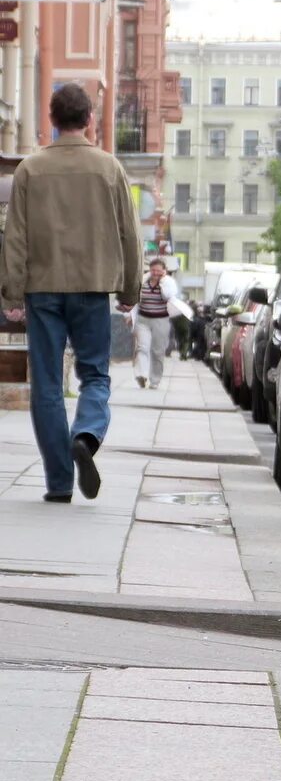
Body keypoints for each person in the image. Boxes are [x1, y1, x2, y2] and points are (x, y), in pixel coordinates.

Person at [0, 83, 140, 503]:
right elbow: (129, 234)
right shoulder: (109, 168)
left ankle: (59, 483)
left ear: (51, 119)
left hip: (42, 289)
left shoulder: (30, 169)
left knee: (46, 385)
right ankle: (87, 433)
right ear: (90, 119)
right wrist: (130, 286)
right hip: (92, 287)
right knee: (95, 373)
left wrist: (11, 293)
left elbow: (16, 237)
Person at [131, 259, 177, 389]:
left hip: (161, 320)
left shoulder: (168, 282)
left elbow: (168, 296)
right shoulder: (143, 281)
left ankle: (155, 380)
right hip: (143, 319)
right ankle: (141, 375)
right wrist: (129, 315)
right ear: (149, 270)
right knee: (142, 347)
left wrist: (161, 282)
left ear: (164, 271)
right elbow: (135, 298)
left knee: (158, 351)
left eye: (158, 270)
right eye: (153, 270)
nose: (155, 273)